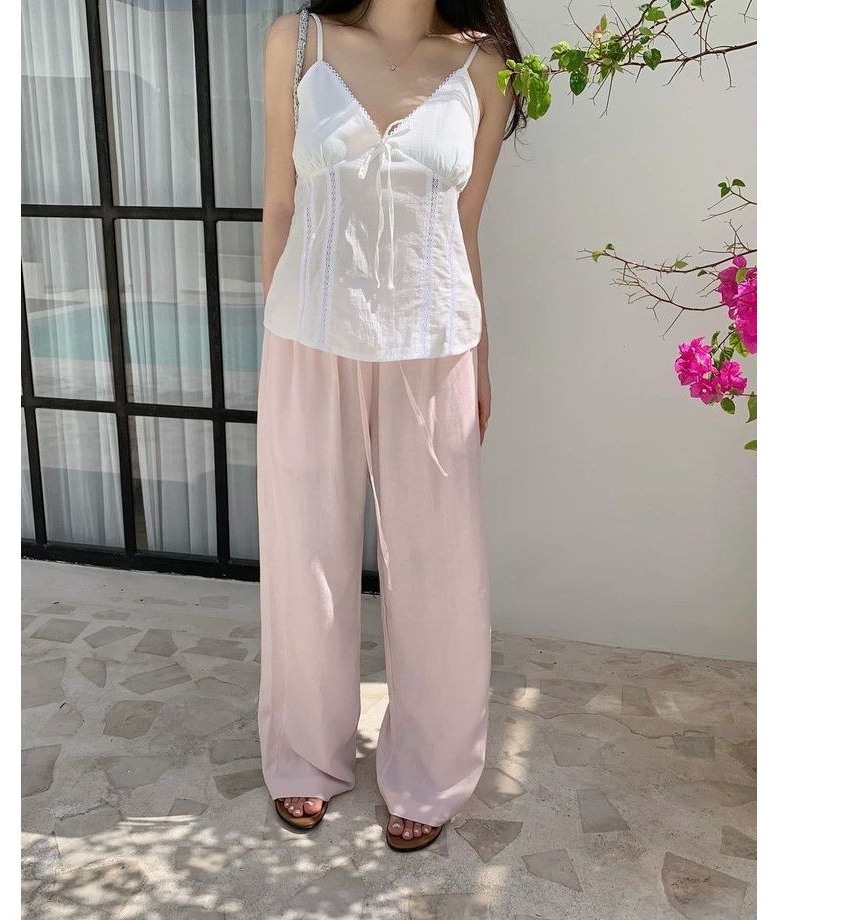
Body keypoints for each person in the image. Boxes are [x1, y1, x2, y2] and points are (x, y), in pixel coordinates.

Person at [257, 0, 522, 852]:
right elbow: (279, 203)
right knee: (305, 561)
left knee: (440, 572)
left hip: (435, 342)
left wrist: (483, 358)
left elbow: (466, 228)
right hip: (307, 339)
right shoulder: (298, 41)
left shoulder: (485, 66)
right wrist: (273, 334)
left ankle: (432, 770)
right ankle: (306, 753)